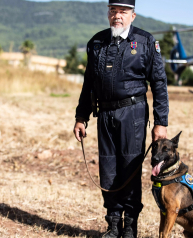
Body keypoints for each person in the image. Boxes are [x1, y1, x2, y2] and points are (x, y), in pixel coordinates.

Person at [72, 0, 169, 237]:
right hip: (104, 114)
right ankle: (113, 224)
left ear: (133, 16)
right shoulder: (96, 42)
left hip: (133, 114)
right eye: (113, 11)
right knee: (108, 169)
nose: (117, 16)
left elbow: (159, 83)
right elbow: (89, 84)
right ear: (108, 14)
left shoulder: (146, 42)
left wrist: (161, 122)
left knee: (129, 168)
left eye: (123, 12)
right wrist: (81, 116)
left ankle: (130, 226)